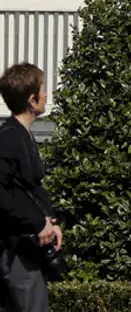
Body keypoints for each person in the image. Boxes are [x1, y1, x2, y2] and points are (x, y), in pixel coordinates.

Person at [0, 63, 62, 312]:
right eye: (43, 89)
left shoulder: (20, 136)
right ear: (31, 99)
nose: (47, 95)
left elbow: (28, 189)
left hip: (24, 247)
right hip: (15, 251)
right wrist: (37, 223)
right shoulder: (9, 139)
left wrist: (48, 222)